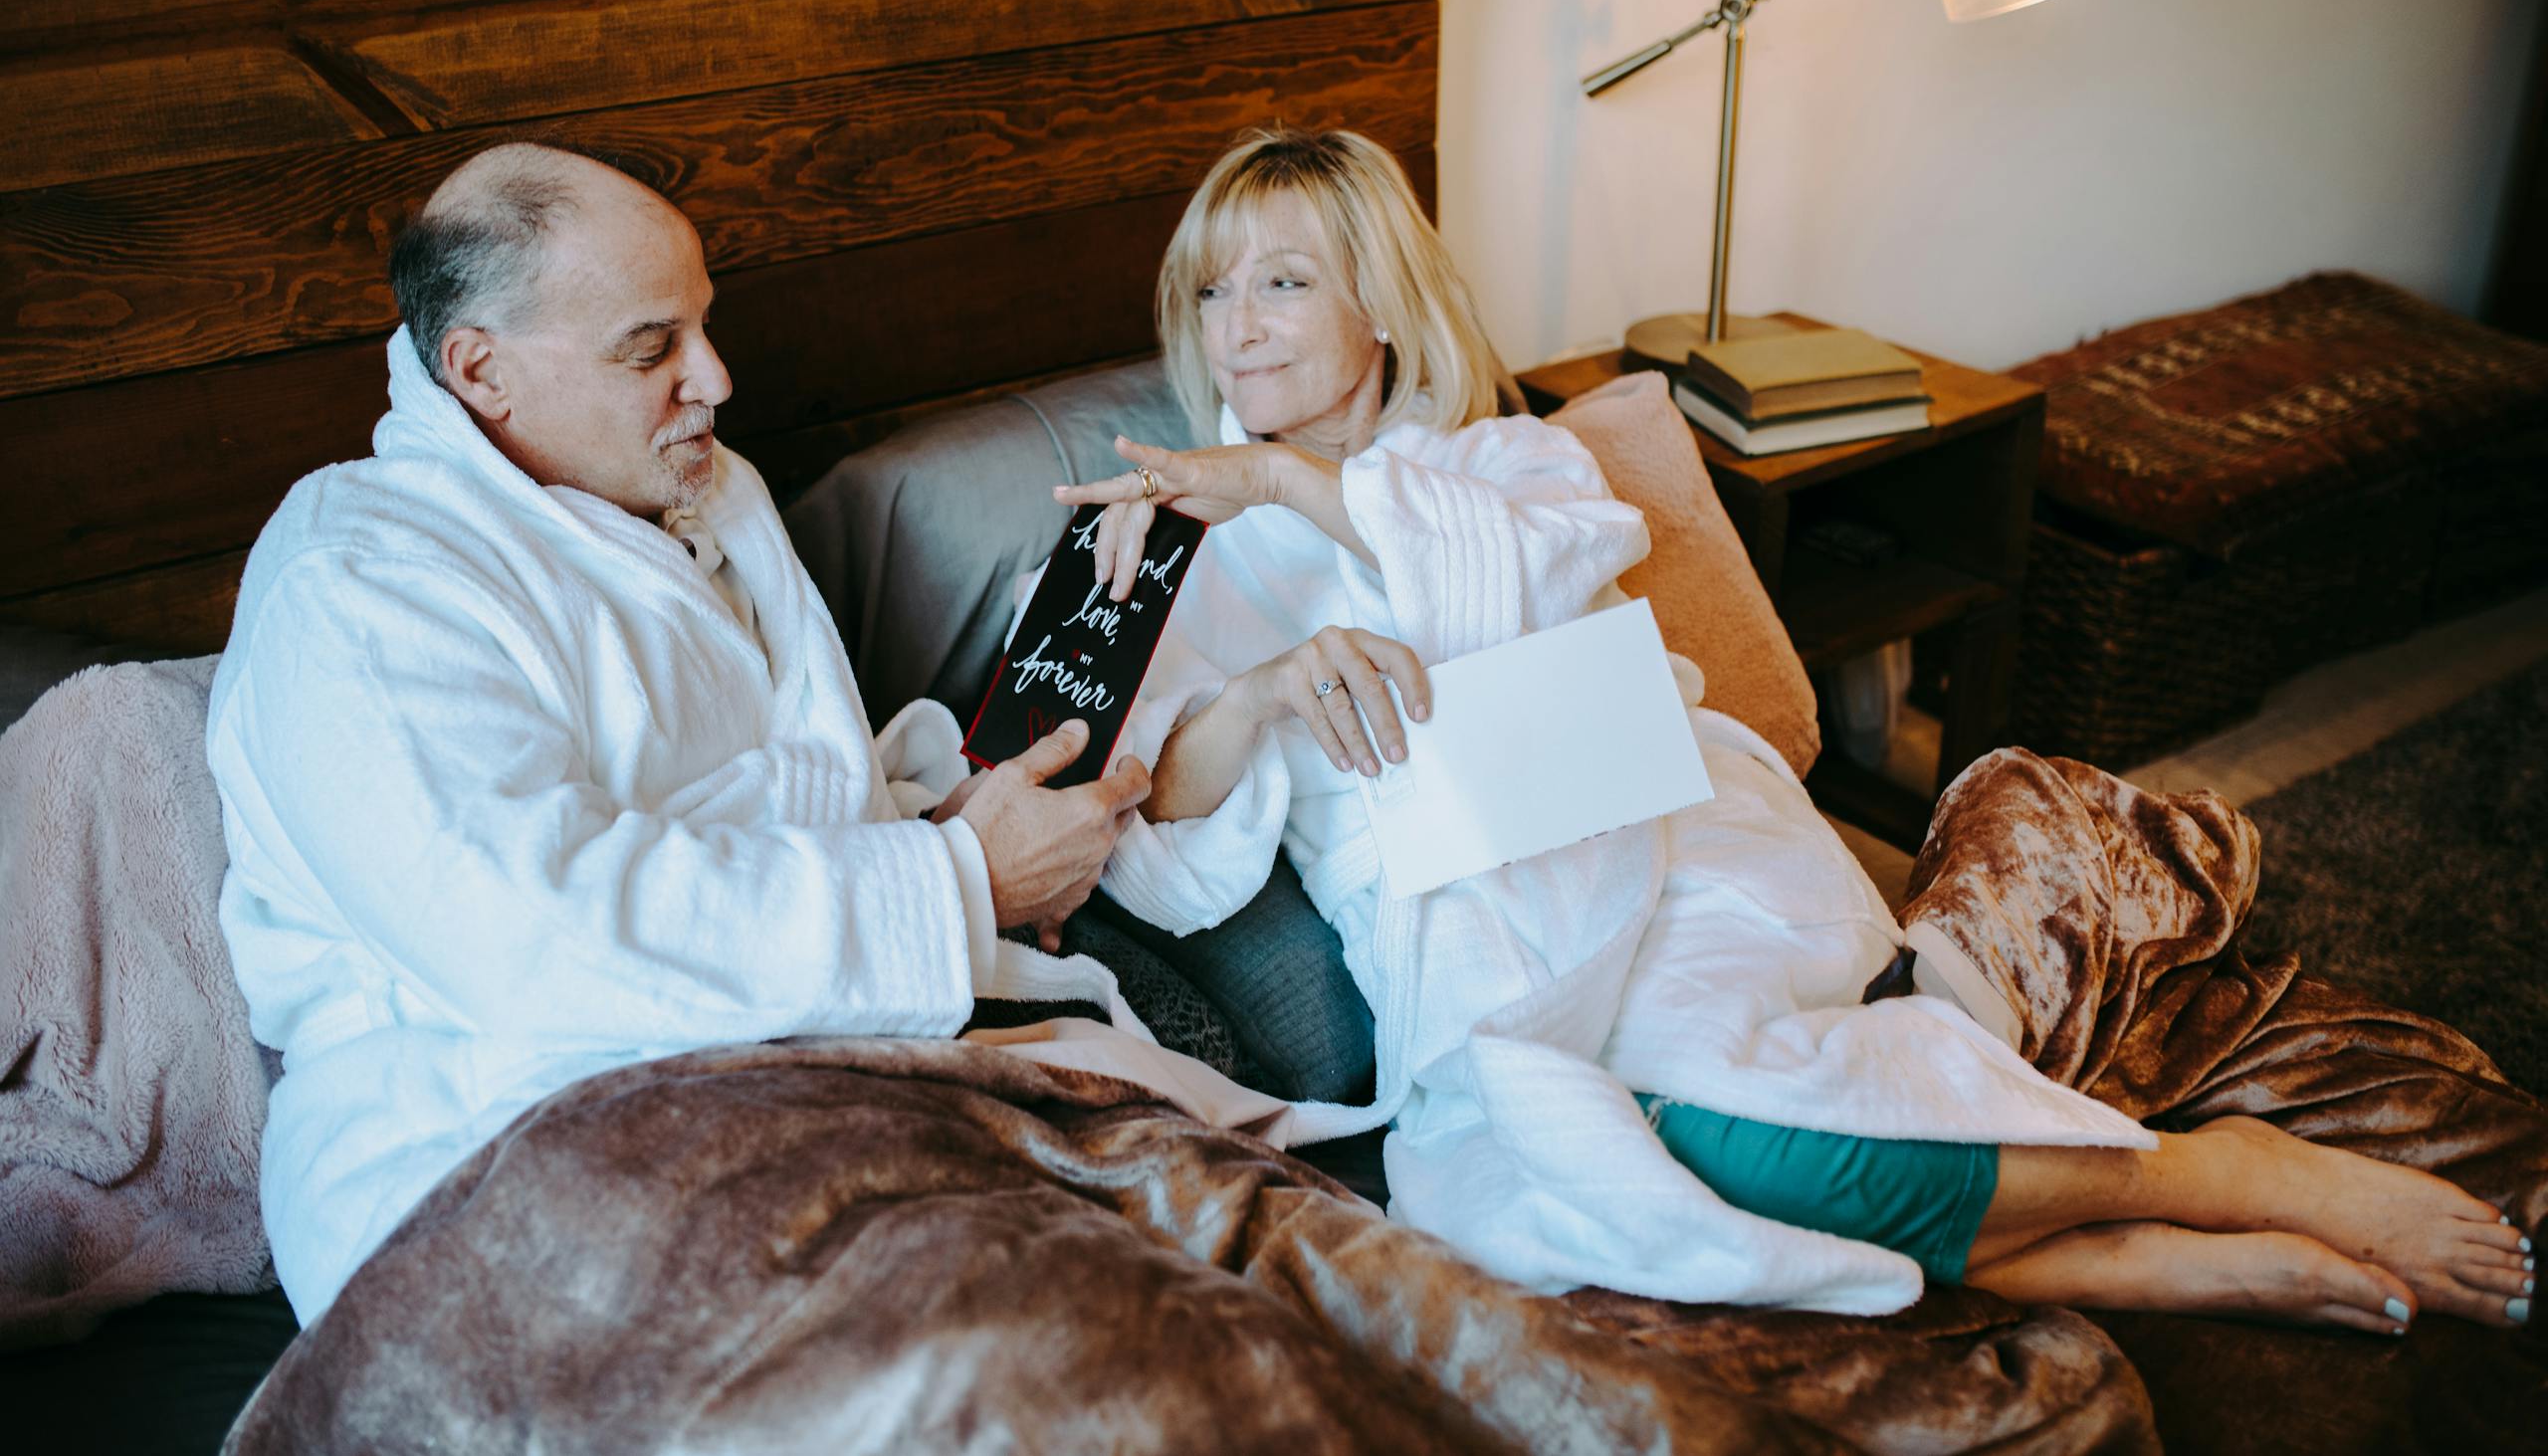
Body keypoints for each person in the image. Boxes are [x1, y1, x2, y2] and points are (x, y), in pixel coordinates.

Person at [1062, 126, 2535, 1332]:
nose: (1232, 328)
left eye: (1279, 283)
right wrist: (1260, 689)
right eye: (1207, 293)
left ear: (1378, 305)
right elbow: (1169, 845)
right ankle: (2106, 1243)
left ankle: (2214, 1175)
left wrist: (1280, 486)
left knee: (1739, 1123)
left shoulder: (1502, 457)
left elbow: (1515, 585)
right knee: (1637, 1161)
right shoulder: (1186, 554)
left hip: (1671, 845)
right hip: (1479, 939)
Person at [208, 143, 1152, 1323]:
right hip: (497, 1141)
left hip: (805, 1055)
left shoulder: (702, 487)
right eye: (650, 348)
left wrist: (937, 831)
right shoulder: (358, 584)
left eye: (703, 325)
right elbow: (533, 938)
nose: (714, 376)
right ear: (480, 370)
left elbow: (783, 786)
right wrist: (952, 881)